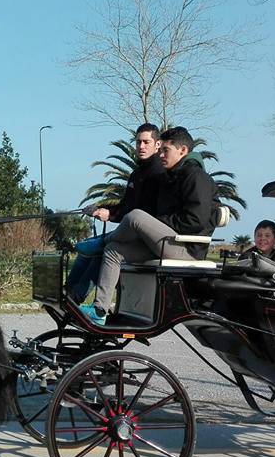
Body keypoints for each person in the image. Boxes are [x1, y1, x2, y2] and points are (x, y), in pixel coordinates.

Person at [78, 126, 218, 325]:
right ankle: (99, 310)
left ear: (183, 151)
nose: (161, 154)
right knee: (113, 250)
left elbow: (196, 221)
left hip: (186, 248)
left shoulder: (197, 178)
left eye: (165, 150)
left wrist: (156, 222)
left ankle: (100, 242)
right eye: (160, 150)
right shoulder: (170, 177)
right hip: (167, 242)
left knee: (136, 217)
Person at [66, 123, 165, 302]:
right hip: (130, 231)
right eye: (138, 142)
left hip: (147, 238)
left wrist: (110, 216)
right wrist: (103, 211)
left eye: (146, 142)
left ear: (157, 144)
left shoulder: (160, 173)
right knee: (88, 247)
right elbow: (126, 207)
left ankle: (76, 297)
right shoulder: (136, 174)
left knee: (103, 249)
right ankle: (67, 293)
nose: (141, 146)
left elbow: (146, 212)